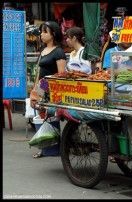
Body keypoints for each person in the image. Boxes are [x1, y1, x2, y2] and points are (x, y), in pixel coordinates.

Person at [32, 21, 67, 158]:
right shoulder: (43, 50)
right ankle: (44, 146)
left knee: (51, 116)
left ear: (53, 34)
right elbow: (39, 72)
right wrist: (35, 89)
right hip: (42, 86)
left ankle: (54, 146)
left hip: (51, 87)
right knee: (40, 114)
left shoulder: (58, 52)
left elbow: (61, 74)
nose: (42, 34)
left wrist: (49, 88)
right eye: (41, 31)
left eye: (45, 32)